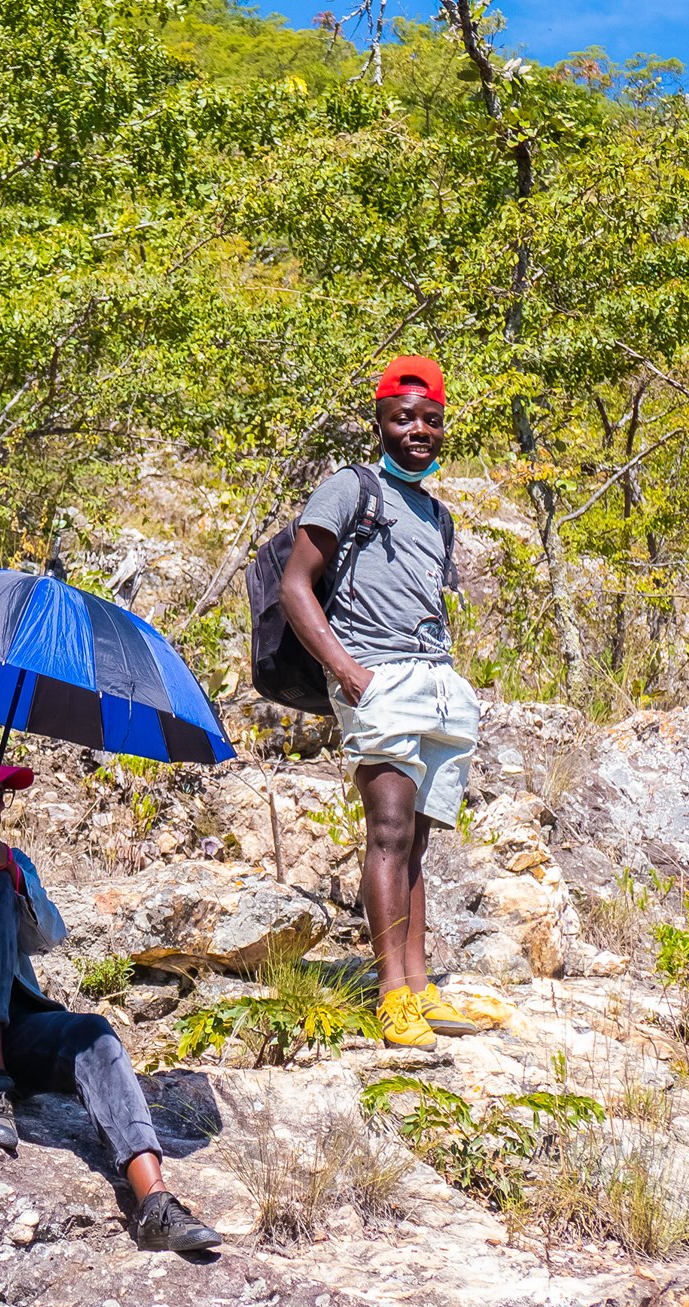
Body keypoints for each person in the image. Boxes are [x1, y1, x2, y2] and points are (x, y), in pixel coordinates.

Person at [0, 740, 223, 1254]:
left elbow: (49, 935)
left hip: (10, 1030)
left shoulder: (13, 860)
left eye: (3, 795)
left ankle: (156, 1203)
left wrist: (8, 870)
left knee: (91, 1034)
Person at [277, 354, 483, 1051]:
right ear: (380, 421)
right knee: (389, 830)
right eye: (403, 418)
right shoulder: (349, 487)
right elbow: (296, 586)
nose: (417, 431)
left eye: (430, 420)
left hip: (435, 682)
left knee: (417, 840)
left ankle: (418, 988)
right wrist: (350, 674)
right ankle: (391, 993)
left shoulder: (437, 513)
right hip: (378, 677)